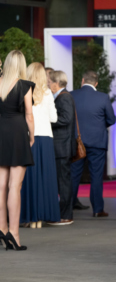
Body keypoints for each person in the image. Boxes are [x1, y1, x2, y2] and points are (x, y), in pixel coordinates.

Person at [0, 50, 35, 250]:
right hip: (17, 133)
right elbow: (29, 115)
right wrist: (31, 136)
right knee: (15, 186)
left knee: (1, 186)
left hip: (1, 133)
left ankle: (2, 228)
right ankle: (14, 233)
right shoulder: (24, 86)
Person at [70, 71, 116, 217]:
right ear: (96, 83)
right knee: (96, 176)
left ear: (82, 80)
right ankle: (97, 209)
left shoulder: (72, 95)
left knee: (73, 175)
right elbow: (112, 119)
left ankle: (67, 208)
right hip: (97, 142)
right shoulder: (102, 97)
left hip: (77, 142)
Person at [20, 62, 60, 228]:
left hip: (29, 137)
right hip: (45, 138)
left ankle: (30, 216)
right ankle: (42, 217)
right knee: (45, 178)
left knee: (29, 178)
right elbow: (54, 119)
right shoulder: (48, 94)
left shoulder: (22, 91)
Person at [48, 70, 77, 226]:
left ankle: (65, 215)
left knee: (63, 181)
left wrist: (48, 120)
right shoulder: (63, 96)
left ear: (56, 83)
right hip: (62, 145)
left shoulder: (63, 97)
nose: (47, 84)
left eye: (49, 81)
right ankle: (64, 213)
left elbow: (66, 118)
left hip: (62, 146)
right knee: (63, 181)